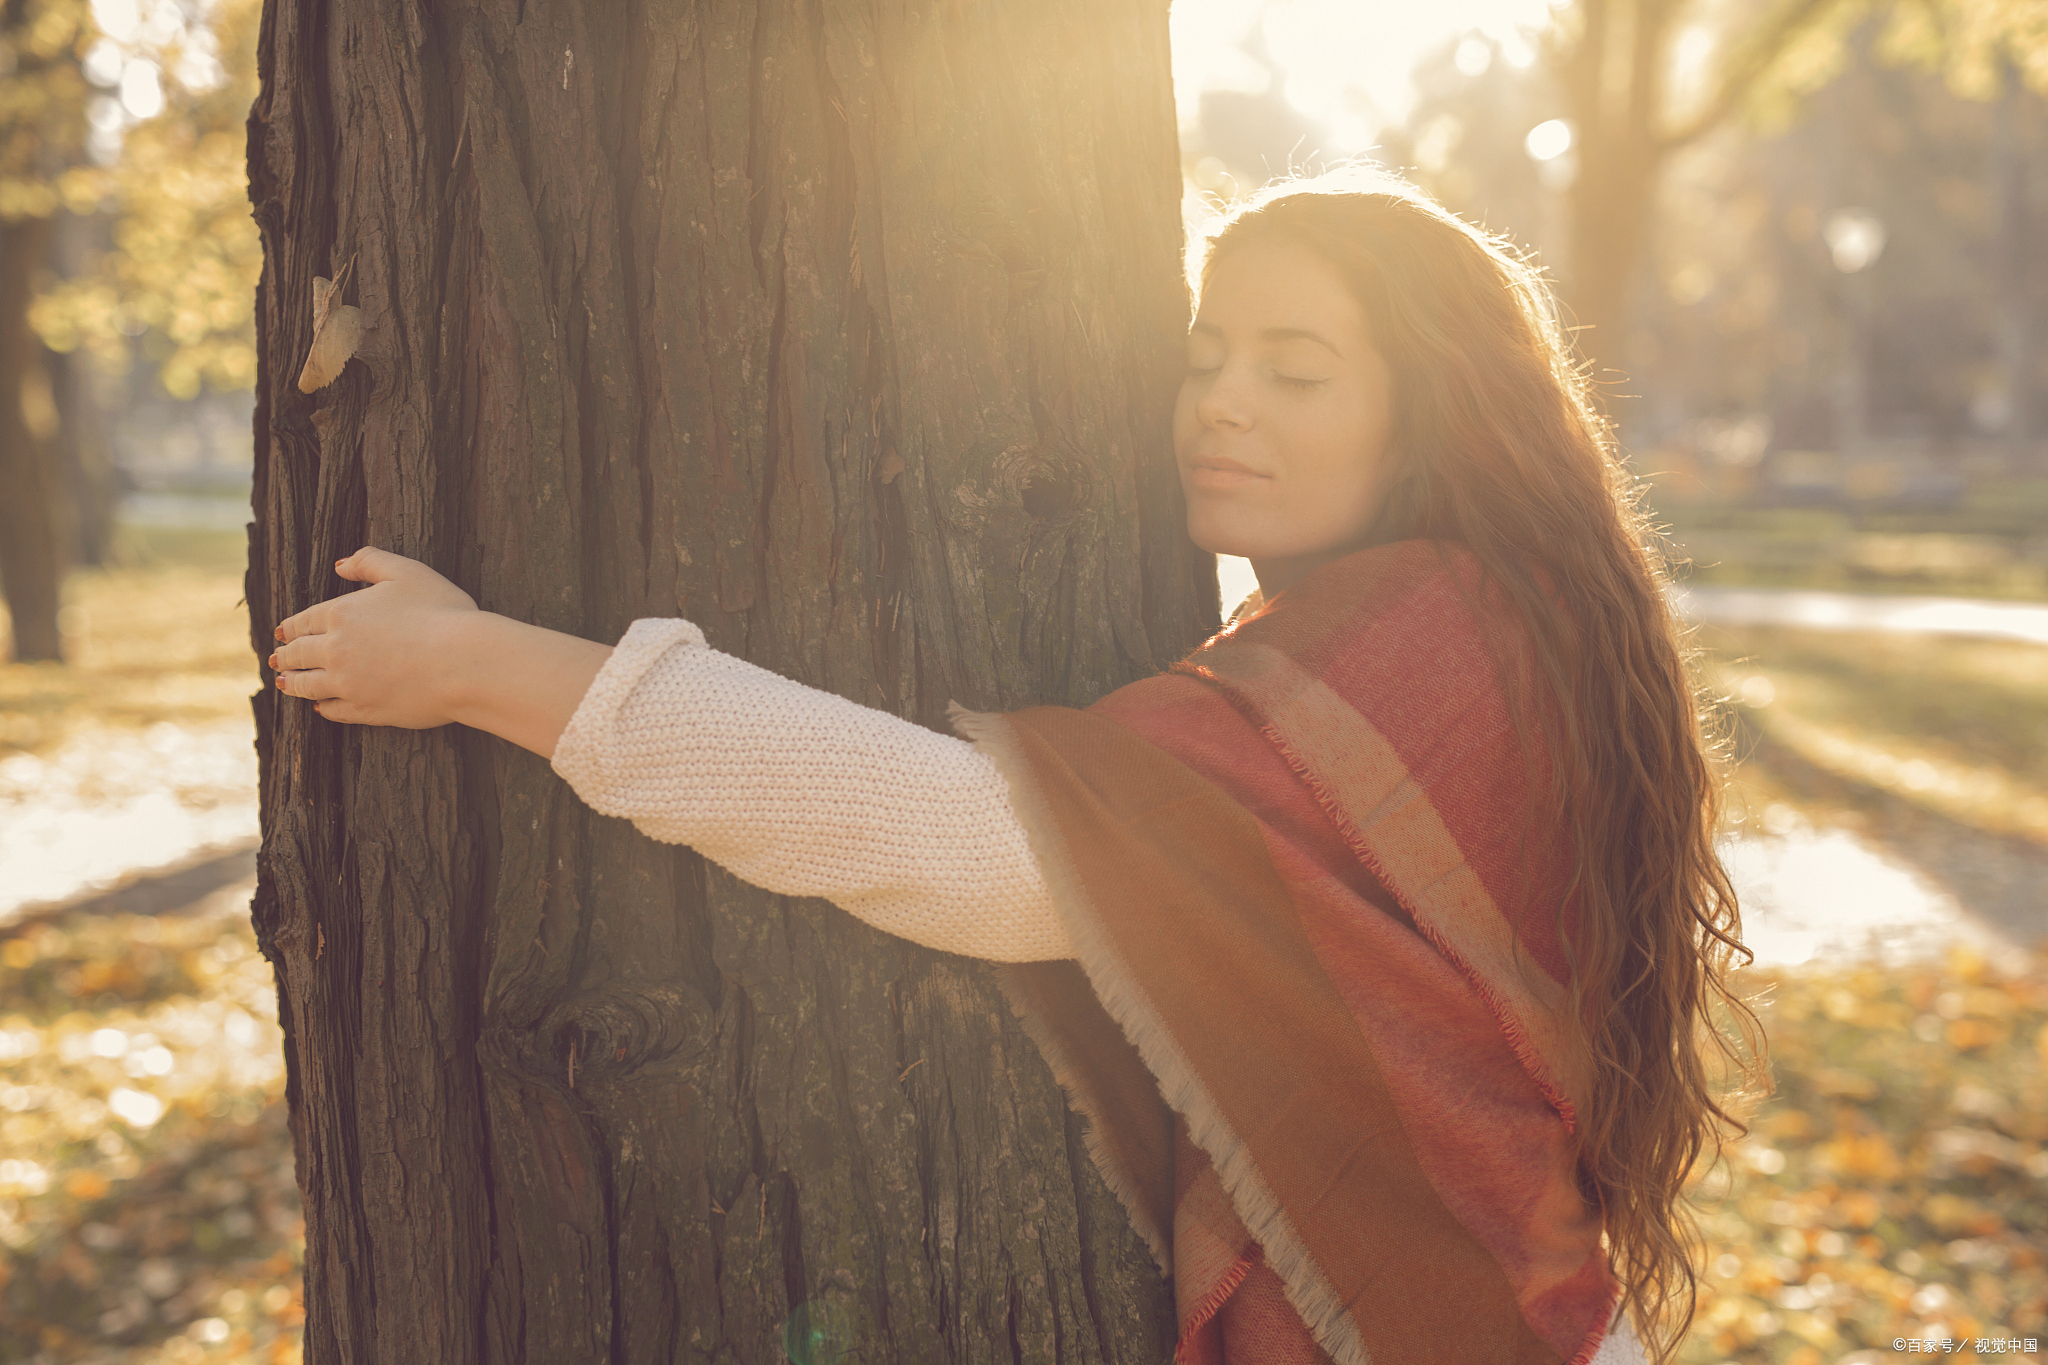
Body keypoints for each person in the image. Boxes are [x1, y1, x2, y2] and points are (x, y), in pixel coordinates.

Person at [268, 169, 1763, 1365]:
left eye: (1295, 370)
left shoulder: (1433, 638)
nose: (1224, 401)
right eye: (1206, 358)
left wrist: (493, 669)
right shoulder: (1468, 622)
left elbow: (995, 856)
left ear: (1431, 405)